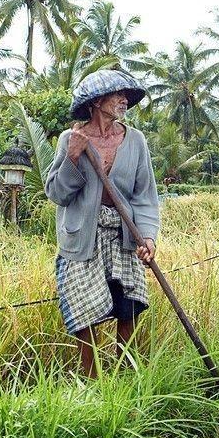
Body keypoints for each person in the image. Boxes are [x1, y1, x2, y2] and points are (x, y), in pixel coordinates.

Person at [45, 69, 159, 378]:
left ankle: (127, 379)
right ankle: (94, 385)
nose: (125, 100)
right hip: (83, 237)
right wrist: (71, 158)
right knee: (86, 313)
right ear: (96, 102)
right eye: (117, 94)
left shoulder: (135, 140)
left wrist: (147, 238)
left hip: (125, 233)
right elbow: (57, 194)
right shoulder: (72, 139)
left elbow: (145, 195)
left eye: (126, 95)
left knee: (129, 306)